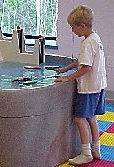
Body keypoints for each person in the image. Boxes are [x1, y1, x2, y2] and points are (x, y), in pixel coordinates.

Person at [54, 5, 107, 165]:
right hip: (99, 85)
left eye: (73, 27)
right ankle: (96, 148)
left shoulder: (87, 43)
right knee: (91, 117)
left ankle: (86, 153)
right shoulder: (95, 38)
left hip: (88, 88)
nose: (72, 31)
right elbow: (81, 60)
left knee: (79, 119)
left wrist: (67, 78)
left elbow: (86, 67)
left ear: (82, 26)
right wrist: (66, 68)